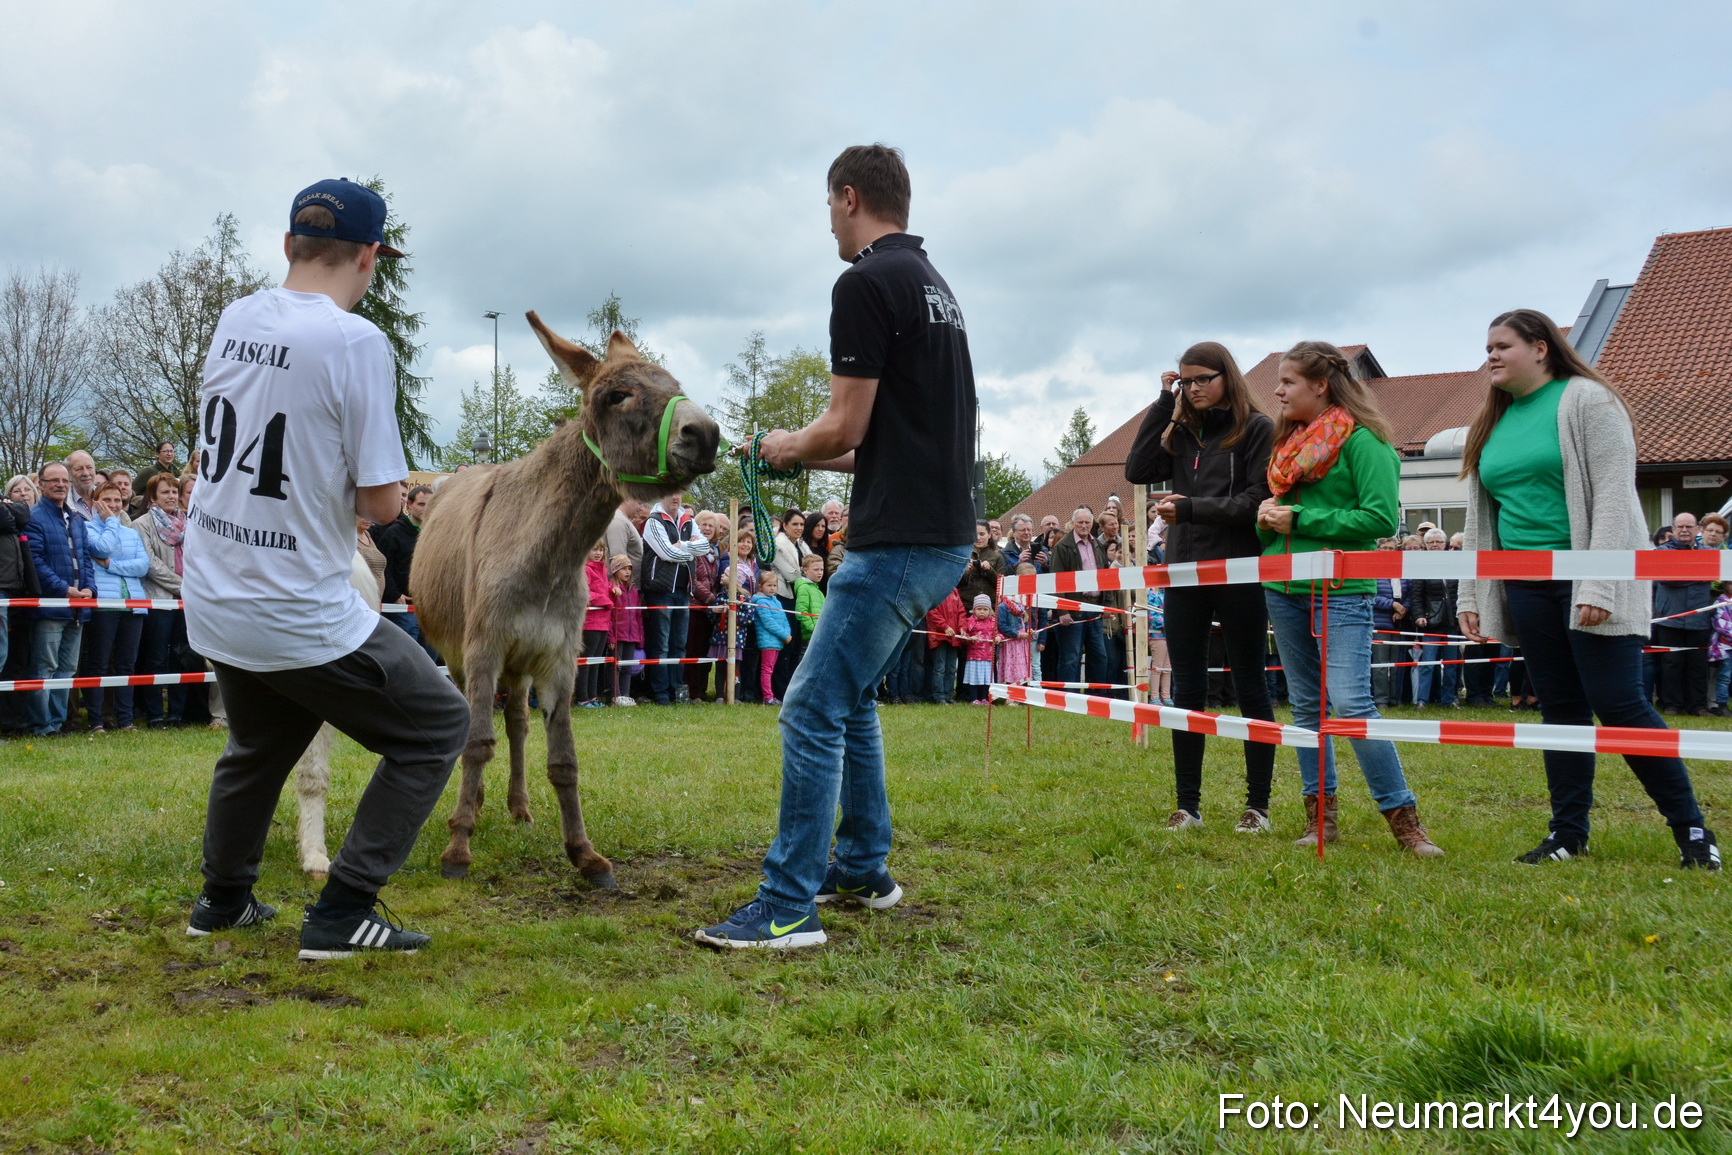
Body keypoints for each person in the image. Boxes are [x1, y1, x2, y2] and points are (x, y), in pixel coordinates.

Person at [179, 178, 469, 959]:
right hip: (291, 600)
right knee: (440, 724)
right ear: (370, 257)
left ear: (287, 246)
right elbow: (380, 502)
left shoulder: (235, 317)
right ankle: (342, 910)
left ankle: (224, 899)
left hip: (212, 587)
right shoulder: (355, 341)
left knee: (260, 742)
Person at [696, 144, 975, 948]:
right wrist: (802, 445)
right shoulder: (935, 288)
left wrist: (783, 444)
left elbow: (843, 427)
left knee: (811, 704)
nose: (827, 220)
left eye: (827, 204)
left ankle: (787, 904)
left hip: (901, 538)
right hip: (941, 531)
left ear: (848, 197)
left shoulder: (862, 281)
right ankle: (860, 863)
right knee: (849, 698)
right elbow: (881, 439)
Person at [1457, 309, 1719, 869]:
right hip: (1526, 585)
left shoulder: (1589, 401)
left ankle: (1693, 830)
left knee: (1620, 704)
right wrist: (1469, 595)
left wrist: (1597, 581)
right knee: (1561, 710)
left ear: (1541, 348)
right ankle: (1568, 834)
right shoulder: (1493, 420)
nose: (1491, 357)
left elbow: (1616, 501)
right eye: (1488, 348)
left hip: (1591, 580)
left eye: (1502, 346)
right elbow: (1482, 520)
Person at [1256, 341, 1443, 857]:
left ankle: (1406, 824)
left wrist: (1301, 519)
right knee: (1306, 709)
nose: (1277, 391)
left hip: (1342, 592)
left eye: (1288, 382)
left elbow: (1381, 520)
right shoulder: (1287, 446)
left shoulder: (1366, 443)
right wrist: (1269, 521)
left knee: (1352, 703)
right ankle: (1320, 821)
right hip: (1283, 587)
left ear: (1320, 385)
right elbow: (1283, 518)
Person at [1126, 341, 1278, 832]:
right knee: (1187, 688)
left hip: (1238, 569)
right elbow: (1136, 469)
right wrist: (1161, 406)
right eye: (1185, 382)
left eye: (1201, 380)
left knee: (1250, 683)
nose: (1192, 390)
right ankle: (1187, 805)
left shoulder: (1257, 429)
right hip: (1184, 572)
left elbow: (1258, 498)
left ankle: (1258, 807)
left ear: (1225, 377)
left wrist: (1191, 507)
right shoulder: (1182, 434)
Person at [25, 461, 95, 736]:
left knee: (67, 669)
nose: (60, 485)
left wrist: (90, 588)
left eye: (64, 481)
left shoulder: (76, 518)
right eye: (53, 480)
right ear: (41, 484)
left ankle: (58, 722)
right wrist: (64, 589)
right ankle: (42, 725)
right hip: (51, 607)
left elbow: (85, 558)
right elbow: (35, 562)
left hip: (78, 608)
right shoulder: (34, 517)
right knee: (45, 667)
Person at [79, 482, 150, 732]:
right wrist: (110, 522)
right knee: (98, 663)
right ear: (95, 503)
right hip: (104, 606)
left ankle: (125, 719)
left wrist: (110, 565)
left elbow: (143, 566)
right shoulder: (87, 527)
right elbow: (102, 548)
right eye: (106, 500)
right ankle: (96, 720)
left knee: (127, 664)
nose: (113, 505)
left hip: (133, 604)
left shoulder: (131, 533)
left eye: (117, 500)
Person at [640, 491, 712, 706]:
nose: (675, 497)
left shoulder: (687, 520)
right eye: (670, 493)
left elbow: (705, 546)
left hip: (683, 590)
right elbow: (667, 554)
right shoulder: (653, 522)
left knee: (679, 645)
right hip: (660, 590)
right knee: (660, 644)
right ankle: (661, 693)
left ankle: (677, 691)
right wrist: (689, 548)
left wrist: (681, 546)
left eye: (678, 493)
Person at [133, 472, 186, 727]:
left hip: (187, 601)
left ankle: (177, 713)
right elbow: (150, 563)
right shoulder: (141, 524)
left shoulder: (188, 523)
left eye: (174, 491)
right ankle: (155, 714)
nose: (171, 496)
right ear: (153, 498)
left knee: (183, 657)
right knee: (156, 657)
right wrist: (182, 585)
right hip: (159, 599)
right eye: (165, 492)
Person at [1652, 511, 1713, 715]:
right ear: (1673, 529)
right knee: (1671, 664)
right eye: (1681, 527)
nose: (1685, 530)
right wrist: (1698, 576)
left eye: (1689, 526)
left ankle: (1697, 705)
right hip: (1671, 618)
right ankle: (1671, 704)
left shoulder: (1708, 552)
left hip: (1699, 619)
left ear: (1697, 529)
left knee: (1697, 665)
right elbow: (1667, 579)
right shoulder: (1662, 551)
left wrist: (1685, 573)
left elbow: (1712, 576)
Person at [1046, 507, 1110, 691]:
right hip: (1073, 608)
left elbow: (1106, 576)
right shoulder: (1063, 546)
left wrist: (1106, 605)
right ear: (1073, 523)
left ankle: (1097, 696)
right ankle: (1069, 696)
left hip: (1095, 608)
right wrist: (1062, 611)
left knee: (1099, 655)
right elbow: (1056, 581)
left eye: (1087, 522)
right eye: (1080, 522)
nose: (1084, 526)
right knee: (1071, 656)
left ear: (1092, 523)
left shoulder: (1097, 545)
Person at [0, 475, 40, 732]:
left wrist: (10, 508)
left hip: (20, 594)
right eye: (16, 490)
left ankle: (16, 722)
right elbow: (9, 518)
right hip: (2, 592)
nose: (23, 494)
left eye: (28, 489)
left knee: (16, 662)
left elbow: (22, 516)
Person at [376, 484, 435, 657]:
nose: (426, 509)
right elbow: (383, 565)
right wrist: (394, 595)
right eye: (421, 504)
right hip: (403, 609)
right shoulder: (394, 533)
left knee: (431, 657)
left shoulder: (434, 534)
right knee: (405, 655)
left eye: (430, 505)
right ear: (409, 505)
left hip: (429, 608)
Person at [1410, 528, 1460, 708]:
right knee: (1428, 664)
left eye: (1438, 542)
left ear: (1445, 544)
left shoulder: (1456, 564)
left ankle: (1449, 699)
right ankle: (1422, 700)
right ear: (1426, 545)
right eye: (1431, 542)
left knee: (1452, 664)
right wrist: (1419, 615)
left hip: (1452, 621)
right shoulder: (1421, 566)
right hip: (1431, 622)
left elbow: (1459, 591)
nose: (1435, 545)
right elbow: (1416, 595)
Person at [577, 542, 614, 708]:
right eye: (594, 549)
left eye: (601, 550)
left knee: (596, 662)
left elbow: (604, 589)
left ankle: (593, 696)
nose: (598, 553)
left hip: (604, 624)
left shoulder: (603, 572)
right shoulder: (585, 570)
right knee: (586, 662)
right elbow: (584, 592)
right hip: (590, 623)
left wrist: (613, 590)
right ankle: (582, 697)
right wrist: (605, 600)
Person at [751, 570, 793, 704]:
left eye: (774, 585)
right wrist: (784, 635)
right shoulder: (761, 602)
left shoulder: (776, 601)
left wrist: (787, 633)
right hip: (768, 641)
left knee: (771, 670)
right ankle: (767, 697)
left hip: (777, 641)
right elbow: (768, 622)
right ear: (760, 586)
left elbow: (783, 618)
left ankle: (770, 695)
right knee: (766, 670)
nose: (772, 588)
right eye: (769, 585)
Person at [609, 555, 643, 705]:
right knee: (615, 666)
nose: (627, 572)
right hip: (617, 635)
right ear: (615, 570)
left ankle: (626, 694)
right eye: (623, 568)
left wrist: (640, 637)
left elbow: (638, 615)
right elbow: (608, 615)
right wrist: (610, 637)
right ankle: (615, 695)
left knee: (627, 667)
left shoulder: (634, 592)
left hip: (632, 635)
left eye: (629, 568)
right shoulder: (611, 590)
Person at [925, 585, 966, 702]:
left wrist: (962, 627)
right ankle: (938, 696)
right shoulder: (935, 590)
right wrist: (945, 627)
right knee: (940, 667)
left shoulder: (955, 591)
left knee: (951, 668)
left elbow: (961, 611)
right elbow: (931, 611)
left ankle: (948, 695)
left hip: (954, 636)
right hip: (940, 636)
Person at [957, 519, 1006, 608]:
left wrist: (989, 570)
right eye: (975, 534)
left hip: (989, 607)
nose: (978, 538)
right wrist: (966, 572)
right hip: (966, 606)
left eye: (982, 534)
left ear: (989, 535)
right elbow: (954, 584)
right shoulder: (963, 555)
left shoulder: (997, 556)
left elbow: (1002, 585)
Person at [996, 575, 1034, 686]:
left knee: (1021, 668)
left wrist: (1028, 630)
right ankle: (1010, 698)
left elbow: (1025, 622)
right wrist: (1017, 634)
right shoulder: (1003, 606)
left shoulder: (1021, 606)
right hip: (1011, 644)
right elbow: (1001, 625)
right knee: (1012, 669)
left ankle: (1020, 694)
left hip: (1021, 644)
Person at [959, 594, 996, 703]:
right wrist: (970, 638)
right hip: (974, 656)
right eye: (979, 609)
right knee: (974, 678)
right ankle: (974, 698)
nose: (982, 612)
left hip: (988, 657)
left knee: (986, 679)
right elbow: (963, 635)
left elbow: (998, 633)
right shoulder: (970, 621)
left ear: (989, 611)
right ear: (973, 610)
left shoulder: (993, 621)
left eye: (985, 609)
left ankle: (984, 697)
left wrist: (998, 637)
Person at [133, 441, 179, 510]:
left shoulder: (173, 473)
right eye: (166, 451)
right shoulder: (148, 471)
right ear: (157, 454)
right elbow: (132, 491)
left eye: (171, 451)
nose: (169, 454)